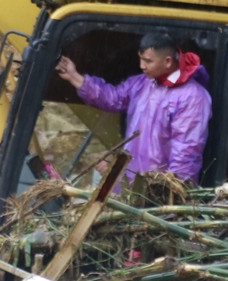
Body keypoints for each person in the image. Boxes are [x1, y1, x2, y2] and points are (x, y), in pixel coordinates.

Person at [55, 32, 212, 185]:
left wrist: (174, 196)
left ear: (168, 61)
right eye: (140, 59)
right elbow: (113, 98)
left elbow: (186, 152)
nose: (141, 66)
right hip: (131, 184)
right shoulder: (143, 83)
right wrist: (74, 76)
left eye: (148, 61)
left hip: (157, 192)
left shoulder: (193, 97)